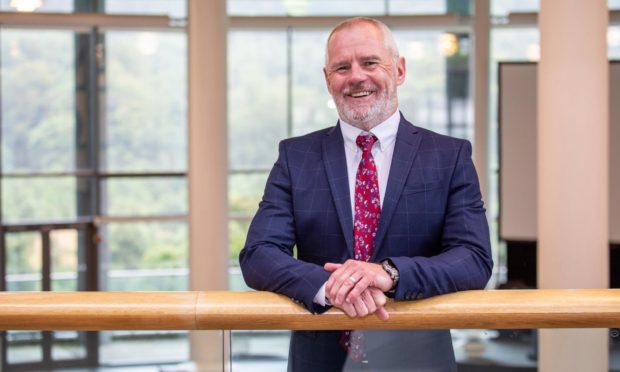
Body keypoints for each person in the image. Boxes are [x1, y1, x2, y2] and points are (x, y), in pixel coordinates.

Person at [240, 17, 493, 372]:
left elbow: (474, 258)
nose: (356, 76)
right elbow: (258, 255)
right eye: (342, 67)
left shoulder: (448, 156)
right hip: (321, 358)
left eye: (370, 62)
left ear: (400, 70)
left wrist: (389, 273)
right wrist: (332, 287)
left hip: (417, 356)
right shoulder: (295, 157)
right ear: (328, 80)